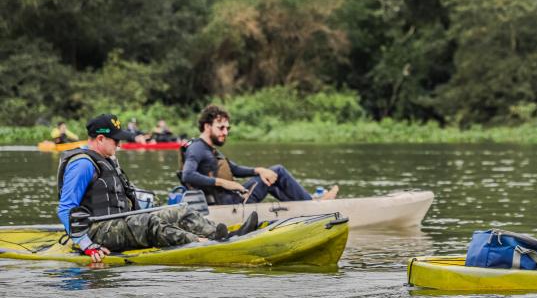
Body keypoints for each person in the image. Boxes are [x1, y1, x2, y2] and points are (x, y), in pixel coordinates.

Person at [57, 113, 258, 263]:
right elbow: (65, 208)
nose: (119, 144)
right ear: (100, 139)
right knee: (151, 222)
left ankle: (223, 235)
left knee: (180, 210)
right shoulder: (82, 164)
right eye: (116, 140)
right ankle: (204, 244)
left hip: (119, 223)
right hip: (97, 231)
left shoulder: (107, 158)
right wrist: (87, 245)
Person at [180, 104, 338, 205]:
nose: (225, 132)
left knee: (269, 176)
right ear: (207, 126)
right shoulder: (197, 149)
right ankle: (311, 205)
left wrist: (259, 170)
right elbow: (187, 175)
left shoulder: (210, 148)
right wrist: (223, 183)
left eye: (228, 128)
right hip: (228, 204)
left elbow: (234, 169)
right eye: (221, 128)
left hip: (232, 197)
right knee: (278, 171)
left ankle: (303, 205)